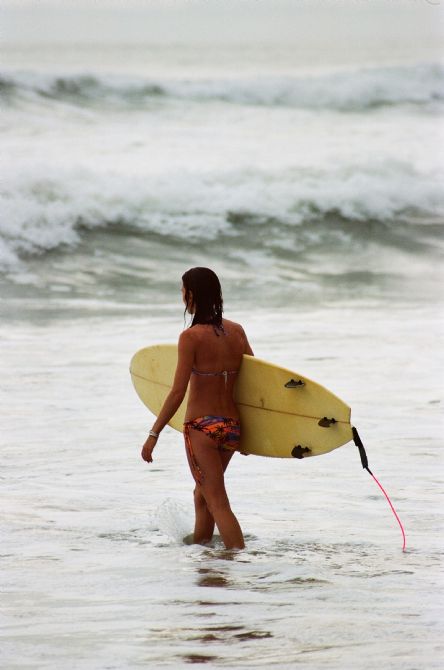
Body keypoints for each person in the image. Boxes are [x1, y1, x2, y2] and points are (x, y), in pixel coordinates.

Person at [141, 267, 254, 550]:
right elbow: (256, 384)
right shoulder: (237, 332)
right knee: (202, 495)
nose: (181, 296)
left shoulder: (190, 338)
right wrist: (254, 434)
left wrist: (153, 434)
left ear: (191, 295)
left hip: (202, 429)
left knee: (218, 502)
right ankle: (203, 554)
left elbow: (178, 391)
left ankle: (238, 563)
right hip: (231, 428)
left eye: (182, 291)